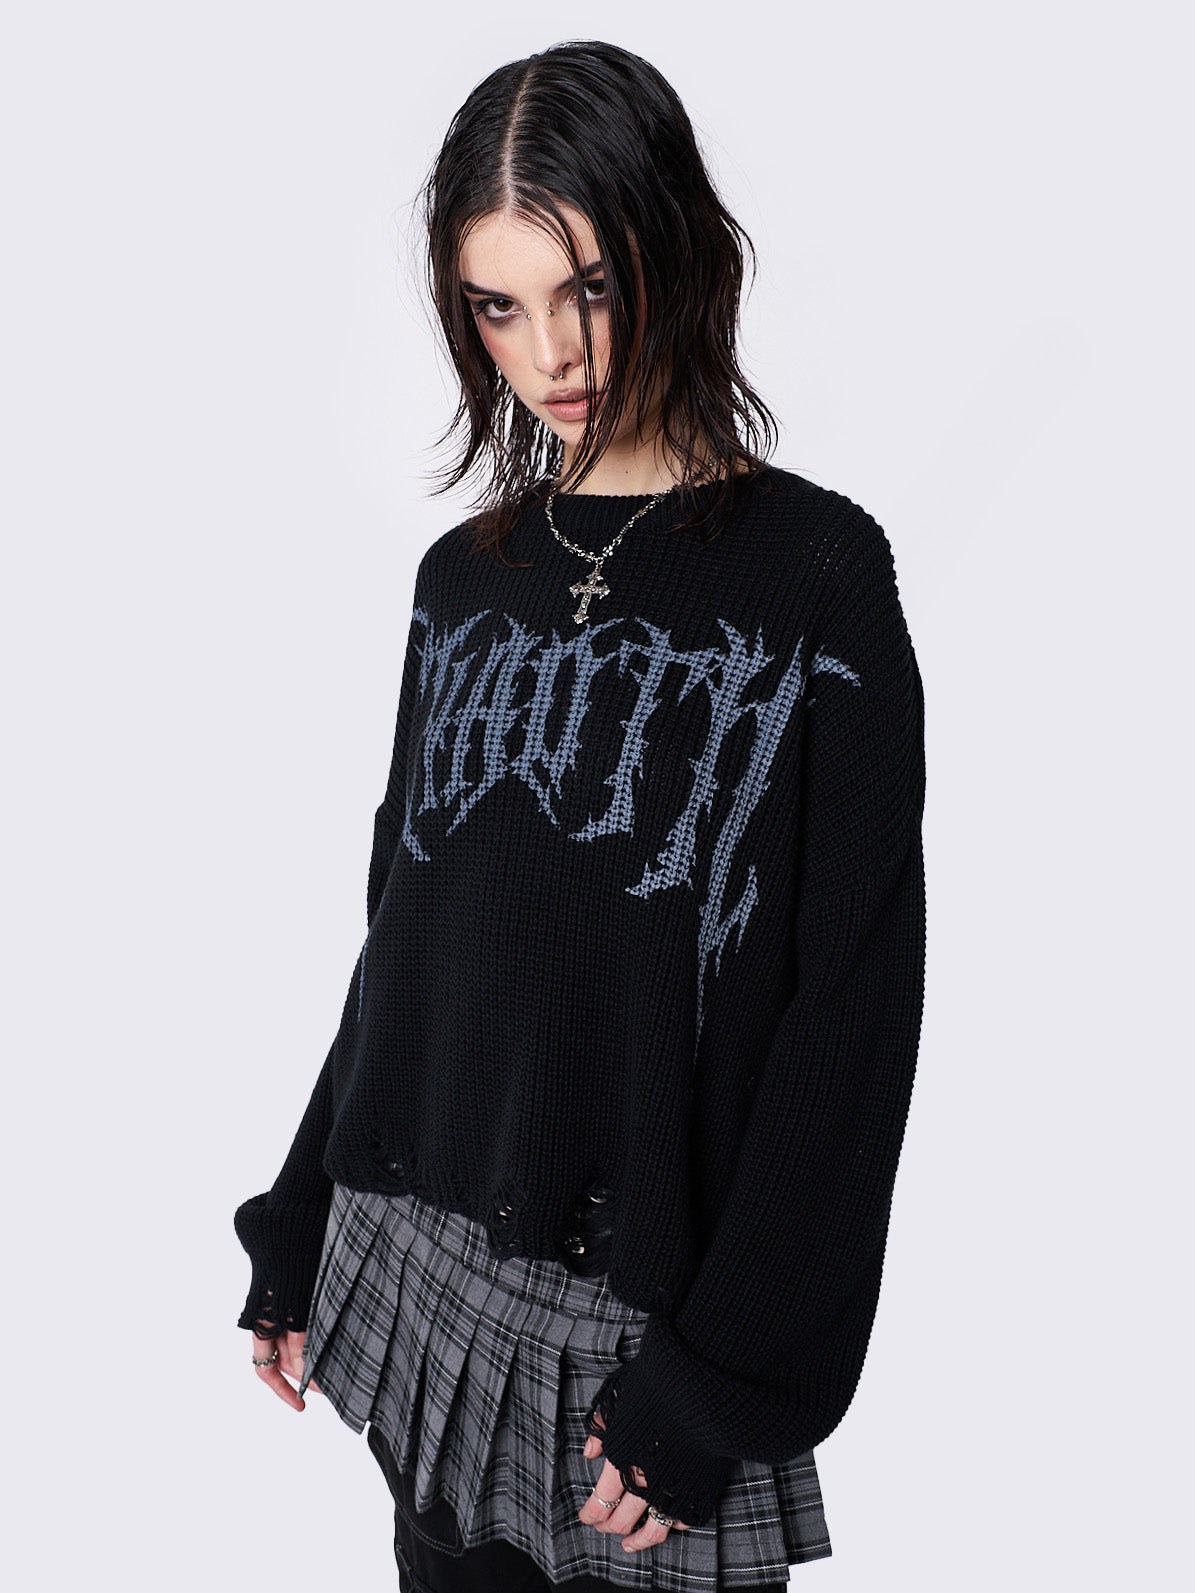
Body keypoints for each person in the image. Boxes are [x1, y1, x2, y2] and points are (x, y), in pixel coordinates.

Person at [234, 38, 926, 1593]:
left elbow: (848, 1022)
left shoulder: (818, 580)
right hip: (421, 1279)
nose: (549, 351)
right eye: (499, 305)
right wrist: (300, 1210)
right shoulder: (461, 582)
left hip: (650, 1340)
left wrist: (725, 1379)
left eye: (589, 288)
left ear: (674, 248)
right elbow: (406, 944)